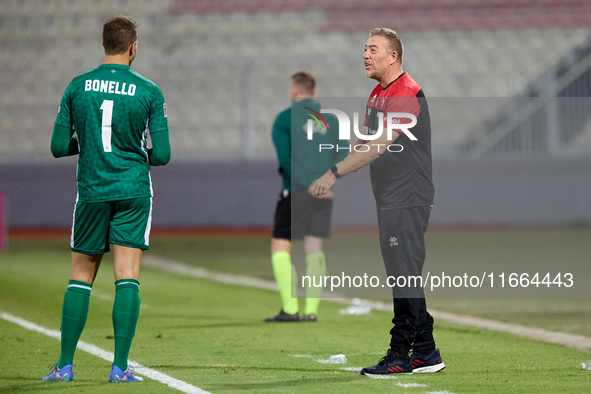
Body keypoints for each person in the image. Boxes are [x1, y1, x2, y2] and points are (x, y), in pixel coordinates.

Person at [43, 16, 171, 383]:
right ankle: (119, 368)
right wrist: (133, 151)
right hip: (132, 191)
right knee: (127, 278)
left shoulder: (77, 86)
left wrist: (89, 145)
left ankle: (64, 366)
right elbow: (161, 154)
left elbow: (55, 147)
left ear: (105, 44)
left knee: (81, 277)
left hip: (92, 190)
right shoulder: (149, 91)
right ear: (133, 47)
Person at [313, 28, 445, 374]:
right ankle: (427, 351)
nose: (365, 55)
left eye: (373, 49)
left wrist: (335, 172)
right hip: (390, 198)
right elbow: (363, 143)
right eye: (364, 49)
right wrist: (330, 169)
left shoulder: (406, 93)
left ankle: (400, 354)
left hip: (408, 198)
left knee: (403, 276)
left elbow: (379, 145)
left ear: (393, 56)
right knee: (405, 276)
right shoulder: (378, 94)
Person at [265, 72, 346, 322]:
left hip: (295, 190)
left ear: (295, 91)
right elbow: (343, 155)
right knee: (314, 248)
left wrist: (307, 184)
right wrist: (326, 181)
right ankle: (311, 311)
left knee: (281, 246)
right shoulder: (332, 119)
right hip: (324, 193)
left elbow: (286, 160)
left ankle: (290, 309)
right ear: (314, 91)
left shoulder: (284, 119)